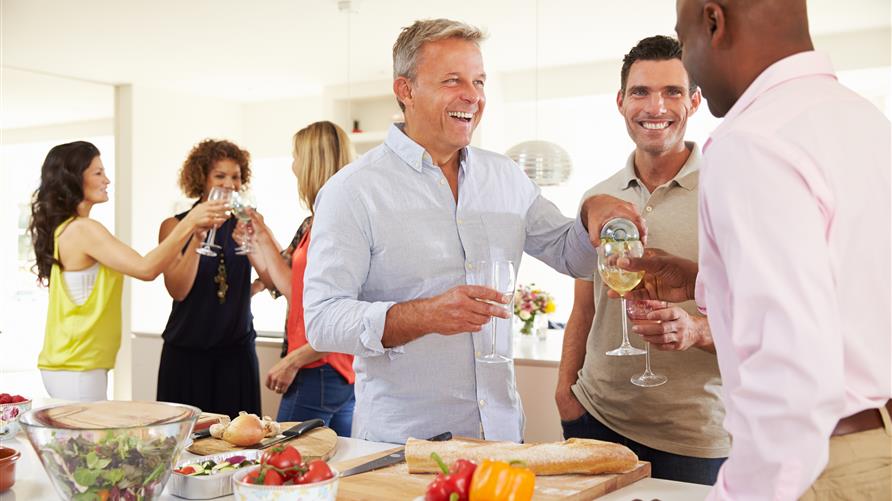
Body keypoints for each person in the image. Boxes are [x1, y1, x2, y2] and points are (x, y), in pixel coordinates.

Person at [303, 18, 645, 444]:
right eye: (452, 80)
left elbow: (569, 255)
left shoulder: (505, 177)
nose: (473, 96)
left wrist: (590, 212)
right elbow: (322, 320)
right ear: (405, 91)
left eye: (479, 81)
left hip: (501, 439)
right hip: (403, 447)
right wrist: (424, 315)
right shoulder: (352, 191)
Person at [618, 1, 891, 498]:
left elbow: (791, 373)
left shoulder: (753, 141)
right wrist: (707, 283)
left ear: (713, 22)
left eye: (685, 37)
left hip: (818, 467)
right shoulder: (863, 119)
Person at [556, 35, 728, 485]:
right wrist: (564, 394)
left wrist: (697, 330)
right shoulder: (601, 198)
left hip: (694, 440)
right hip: (595, 423)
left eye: (672, 92)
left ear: (694, 101)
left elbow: (762, 312)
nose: (656, 107)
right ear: (620, 102)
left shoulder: (729, 193)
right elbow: (585, 307)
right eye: (641, 92)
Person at [28, 141, 225, 401]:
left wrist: (192, 232)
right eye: (98, 172)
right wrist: (189, 220)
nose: (107, 180)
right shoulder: (83, 229)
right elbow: (146, 268)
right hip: (76, 367)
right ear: (74, 178)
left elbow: (148, 264)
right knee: (92, 442)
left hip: (74, 365)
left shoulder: (72, 228)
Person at [248, 121, 357, 436]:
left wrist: (293, 360)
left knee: (285, 462)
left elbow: (303, 295)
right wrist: (260, 233)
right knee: (335, 464)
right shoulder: (318, 221)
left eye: (296, 156)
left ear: (312, 162)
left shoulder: (332, 224)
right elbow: (287, 284)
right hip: (336, 370)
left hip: (319, 366)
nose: (293, 166)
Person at [156, 139, 269, 418]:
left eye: (236, 176)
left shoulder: (247, 222)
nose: (230, 184)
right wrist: (197, 238)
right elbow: (177, 290)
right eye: (220, 176)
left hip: (237, 355)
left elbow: (276, 270)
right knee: (186, 445)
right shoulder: (175, 225)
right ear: (201, 179)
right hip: (187, 354)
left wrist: (250, 289)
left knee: (240, 446)